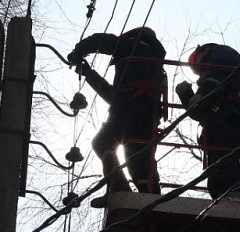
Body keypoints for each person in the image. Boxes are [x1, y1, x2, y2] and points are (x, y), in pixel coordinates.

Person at [67, 27, 167, 207]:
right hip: (145, 113)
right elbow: (115, 96)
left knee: (105, 143)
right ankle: (147, 192)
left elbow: (103, 41)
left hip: (128, 111)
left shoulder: (133, 45)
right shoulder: (153, 64)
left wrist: (80, 49)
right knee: (138, 152)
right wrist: (88, 73)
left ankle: (120, 187)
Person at [175, 43, 240, 200]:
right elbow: (199, 110)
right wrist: (187, 97)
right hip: (223, 119)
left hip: (229, 117)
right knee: (218, 160)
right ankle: (222, 194)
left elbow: (214, 82)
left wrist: (198, 95)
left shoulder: (218, 56)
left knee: (224, 155)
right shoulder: (221, 63)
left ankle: (232, 193)